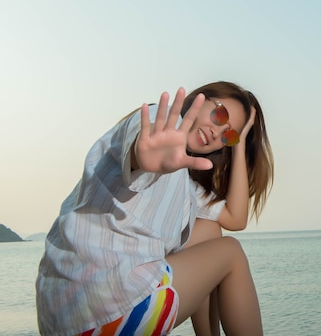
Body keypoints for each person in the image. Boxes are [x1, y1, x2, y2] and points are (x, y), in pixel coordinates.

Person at [36, 81, 274, 336]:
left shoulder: (184, 184)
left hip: (65, 316)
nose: (218, 133)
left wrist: (239, 145)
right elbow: (143, 143)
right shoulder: (153, 121)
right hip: (109, 309)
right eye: (219, 114)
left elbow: (236, 219)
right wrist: (146, 156)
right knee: (231, 252)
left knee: (210, 232)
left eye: (229, 135)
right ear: (200, 100)